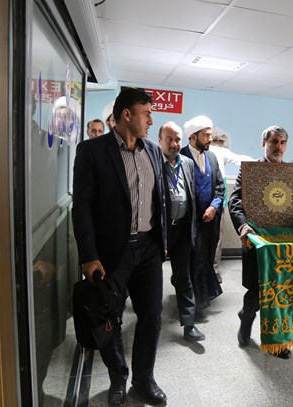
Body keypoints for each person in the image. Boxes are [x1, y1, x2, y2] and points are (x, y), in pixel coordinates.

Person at [72, 87, 168, 407]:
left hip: (149, 247)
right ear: (127, 115)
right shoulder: (92, 151)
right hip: (112, 252)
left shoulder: (152, 151)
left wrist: (166, 242)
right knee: (109, 318)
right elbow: (82, 207)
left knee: (152, 315)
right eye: (146, 114)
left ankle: (144, 378)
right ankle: (118, 378)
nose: (151, 121)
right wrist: (89, 256)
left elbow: (159, 199)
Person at [228, 125, 293, 360]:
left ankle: (276, 342)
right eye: (274, 142)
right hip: (258, 244)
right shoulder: (250, 171)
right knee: (257, 293)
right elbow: (235, 201)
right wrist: (243, 227)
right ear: (264, 144)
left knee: (282, 294)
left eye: (282, 143)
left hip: (286, 247)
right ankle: (246, 317)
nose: (278, 147)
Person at [158, 121, 205, 342]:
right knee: (152, 279)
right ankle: (150, 321)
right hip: (159, 230)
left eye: (177, 139)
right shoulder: (153, 162)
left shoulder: (187, 163)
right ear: (160, 140)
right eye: (169, 139)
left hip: (182, 230)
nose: (174, 143)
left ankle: (189, 325)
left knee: (183, 277)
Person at [181, 115, 224, 313]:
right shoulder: (180, 157)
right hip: (189, 223)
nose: (210, 139)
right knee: (192, 261)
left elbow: (220, 187)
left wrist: (214, 207)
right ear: (193, 136)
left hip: (210, 221)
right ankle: (194, 304)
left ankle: (204, 296)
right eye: (206, 135)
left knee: (206, 258)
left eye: (210, 134)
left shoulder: (212, 158)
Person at [209, 128, 255, 282]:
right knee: (217, 236)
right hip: (217, 199)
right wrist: (263, 163)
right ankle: (214, 270)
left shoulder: (205, 150)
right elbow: (241, 159)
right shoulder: (220, 150)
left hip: (207, 197)